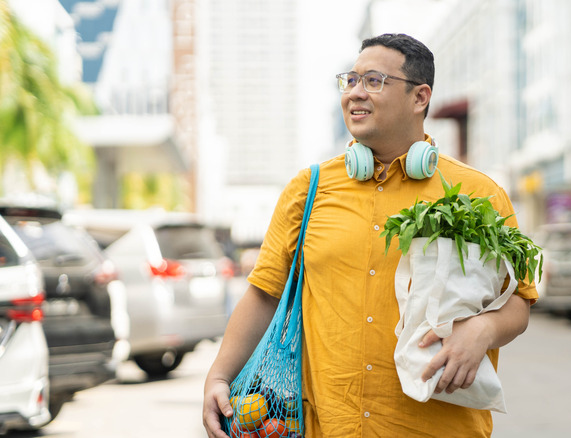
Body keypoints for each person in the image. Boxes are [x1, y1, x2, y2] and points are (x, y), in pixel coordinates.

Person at [203, 33, 538, 438]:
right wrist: (219, 375)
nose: (355, 94)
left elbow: (518, 298)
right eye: (351, 81)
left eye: (374, 81)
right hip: (330, 427)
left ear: (420, 97)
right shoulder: (309, 190)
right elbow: (264, 293)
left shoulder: (479, 194)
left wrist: (483, 330)